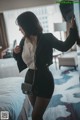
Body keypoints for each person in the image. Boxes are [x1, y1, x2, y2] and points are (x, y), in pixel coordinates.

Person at [13, 11, 79, 120]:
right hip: (29, 79)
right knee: (37, 114)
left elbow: (64, 46)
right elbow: (19, 59)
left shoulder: (47, 38)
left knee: (35, 116)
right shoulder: (23, 41)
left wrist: (73, 30)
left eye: (20, 26)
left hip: (44, 79)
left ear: (27, 25)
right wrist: (15, 52)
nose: (19, 29)